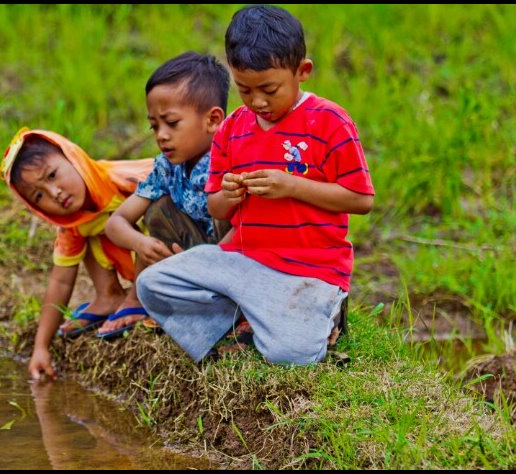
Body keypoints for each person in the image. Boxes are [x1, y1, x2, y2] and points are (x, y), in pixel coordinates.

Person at [135, 5, 375, 365]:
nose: (257, 101)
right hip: (244, 262)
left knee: (291, 354)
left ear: (302, 71)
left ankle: (317, 315)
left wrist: (292, 186)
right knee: (151, 284)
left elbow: (360, 199)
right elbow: (216, 207)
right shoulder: (233, 128)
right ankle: (242, 323)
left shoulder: (329, 122)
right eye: (245, 90)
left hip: (309, 269)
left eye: (269, 89)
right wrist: (228, 195)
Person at [0, 128, 153, 379]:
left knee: (155, 214)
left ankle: (137, 298)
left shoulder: (128, 182)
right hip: (145, 260)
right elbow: (60, 280)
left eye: (52, 175)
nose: (55, 193)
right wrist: (41, 347)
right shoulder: (72, 220)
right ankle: (109, 296)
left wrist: (136, 297)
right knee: (82, 228)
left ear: (73, 157)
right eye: (39, 195)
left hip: (180, 247)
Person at [100, 51, 232, 339]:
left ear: (212, 120)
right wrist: (141, 243)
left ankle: (230, 309)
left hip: (232, 262)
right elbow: (116, 222)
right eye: (154, 126)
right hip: (187, 259)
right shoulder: (166, 168)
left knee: (231, 205)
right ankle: (137, 300)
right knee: (158, 209)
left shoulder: (231, 159)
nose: (161, 135)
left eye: (171, 123)